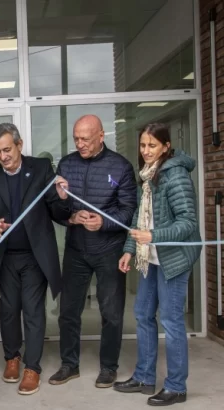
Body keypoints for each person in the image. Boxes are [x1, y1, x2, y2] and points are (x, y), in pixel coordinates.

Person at [0, 123, 71, 395]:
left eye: (7, 149)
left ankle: (32, 367)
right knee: (8, 310)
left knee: (32, 310)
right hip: (5, 257)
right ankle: (11, 357)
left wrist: (62, 197)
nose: (3, 156)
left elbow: (56, 208)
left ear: (19, 144)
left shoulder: (40, 168)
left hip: (34, 256)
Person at [114, 124, 201, 406]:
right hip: (149, 258)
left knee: (171, 321)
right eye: (142, 146)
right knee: (142, 314)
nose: (146, 151)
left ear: (166, 146)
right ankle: (144, 377)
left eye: (152, 145)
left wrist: (153, 236)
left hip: (173, 259)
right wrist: (130, 249)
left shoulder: (175, 176)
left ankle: (176, 387)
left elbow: (188, 223)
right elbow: (140, 218)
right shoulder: (149, 177)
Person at [49, 114, 137, 388]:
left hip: (108, 249)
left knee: (111, 312)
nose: (80, 144)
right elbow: (54, 208)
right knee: (68, 311)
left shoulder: (121, 166)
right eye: (76, 138)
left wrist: (103, 222)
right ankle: (69, 364)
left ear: (101, 136)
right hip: (76, 249)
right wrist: (68, 216)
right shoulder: (67, 164)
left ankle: (109, 367)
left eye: (85, 139)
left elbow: (128, 210)